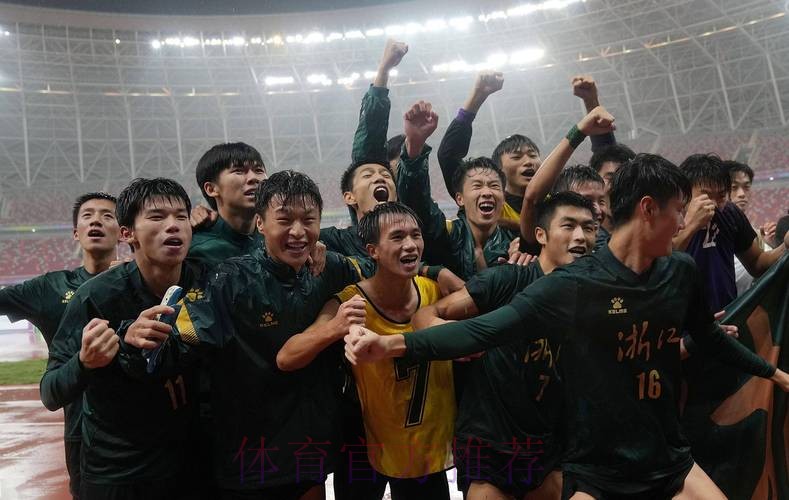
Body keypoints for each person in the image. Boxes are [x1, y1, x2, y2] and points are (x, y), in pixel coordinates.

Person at [346, 153, 789, 499]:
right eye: (679, 210)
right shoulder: (545, 283)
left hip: (615, 451)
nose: (684, 221)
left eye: (588, 227)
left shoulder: (667, 275)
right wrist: (391, 345)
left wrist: (774, 373)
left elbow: (661, 347)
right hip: (522, 452)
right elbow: (483, 329)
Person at [142, 171, 361, 499]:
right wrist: (138, 337)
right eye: (284, 220)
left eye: (308, 220)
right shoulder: (230, 281)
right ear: (260, 223)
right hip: (250, 456)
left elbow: (378, 273)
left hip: (311, 448)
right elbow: (170, 348)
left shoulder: (330, 268)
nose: (298, 232)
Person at [412, 191, 597, 500]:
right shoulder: (506, 280)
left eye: (589, 228)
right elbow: (425, 316)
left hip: (552, 446)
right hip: (490, 445)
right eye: (568, 225)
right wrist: (458, 338)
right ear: (540, 235)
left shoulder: (596, 297)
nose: (580, 236)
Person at [40, 178, 209, 500]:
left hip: (191, 466)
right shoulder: (96, 296)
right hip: (119, 474)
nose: (173, 225)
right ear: (127, 233)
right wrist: (85, 362)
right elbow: (50, 392)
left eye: (181, 216)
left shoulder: (210, 281)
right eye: (157, 217)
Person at [279, 202, 455, 499]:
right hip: (365, 447)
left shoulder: (436, 291)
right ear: (372, 250)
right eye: (397, 237)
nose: (410, 245)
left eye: (416, 235)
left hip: (425, 452)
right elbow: (287, 357)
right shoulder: (350, 301)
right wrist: (335, 328)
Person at [0, 192, 119, 500]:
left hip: (142, 422)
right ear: (76, 232)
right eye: (88, 215)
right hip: (82, 429)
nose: (96, 220)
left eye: (107, 215)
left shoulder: (140, 280)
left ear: (123, 231)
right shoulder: (49, 287)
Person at [673, 154, 787, 313]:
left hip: (727, 318)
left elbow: (757, 263)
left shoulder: (729, 212)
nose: (714, 204)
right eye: (706, 196)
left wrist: (785, 246)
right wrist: (691, 225)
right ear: (685, 193)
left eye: (721, 196)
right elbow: (658, 268)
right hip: (680, 322)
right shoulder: (669, 216)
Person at [518, 107, 616, 253]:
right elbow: (532, 198)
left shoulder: (611, 248)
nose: (597, 210)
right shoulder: (544, 238)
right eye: (587, 200)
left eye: (601, 201)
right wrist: (579, 132)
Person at [190, 142, 268, 266]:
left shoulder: (278, 239)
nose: (253, 178)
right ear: (211, 189)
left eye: (258, 170)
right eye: (238, 171)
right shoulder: (197, 250)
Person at [723, 159, 775, 295]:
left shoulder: (755, 233)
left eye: (746, 187)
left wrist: (768, 244)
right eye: (734, 187)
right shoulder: (712, 233)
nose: (742, 194)